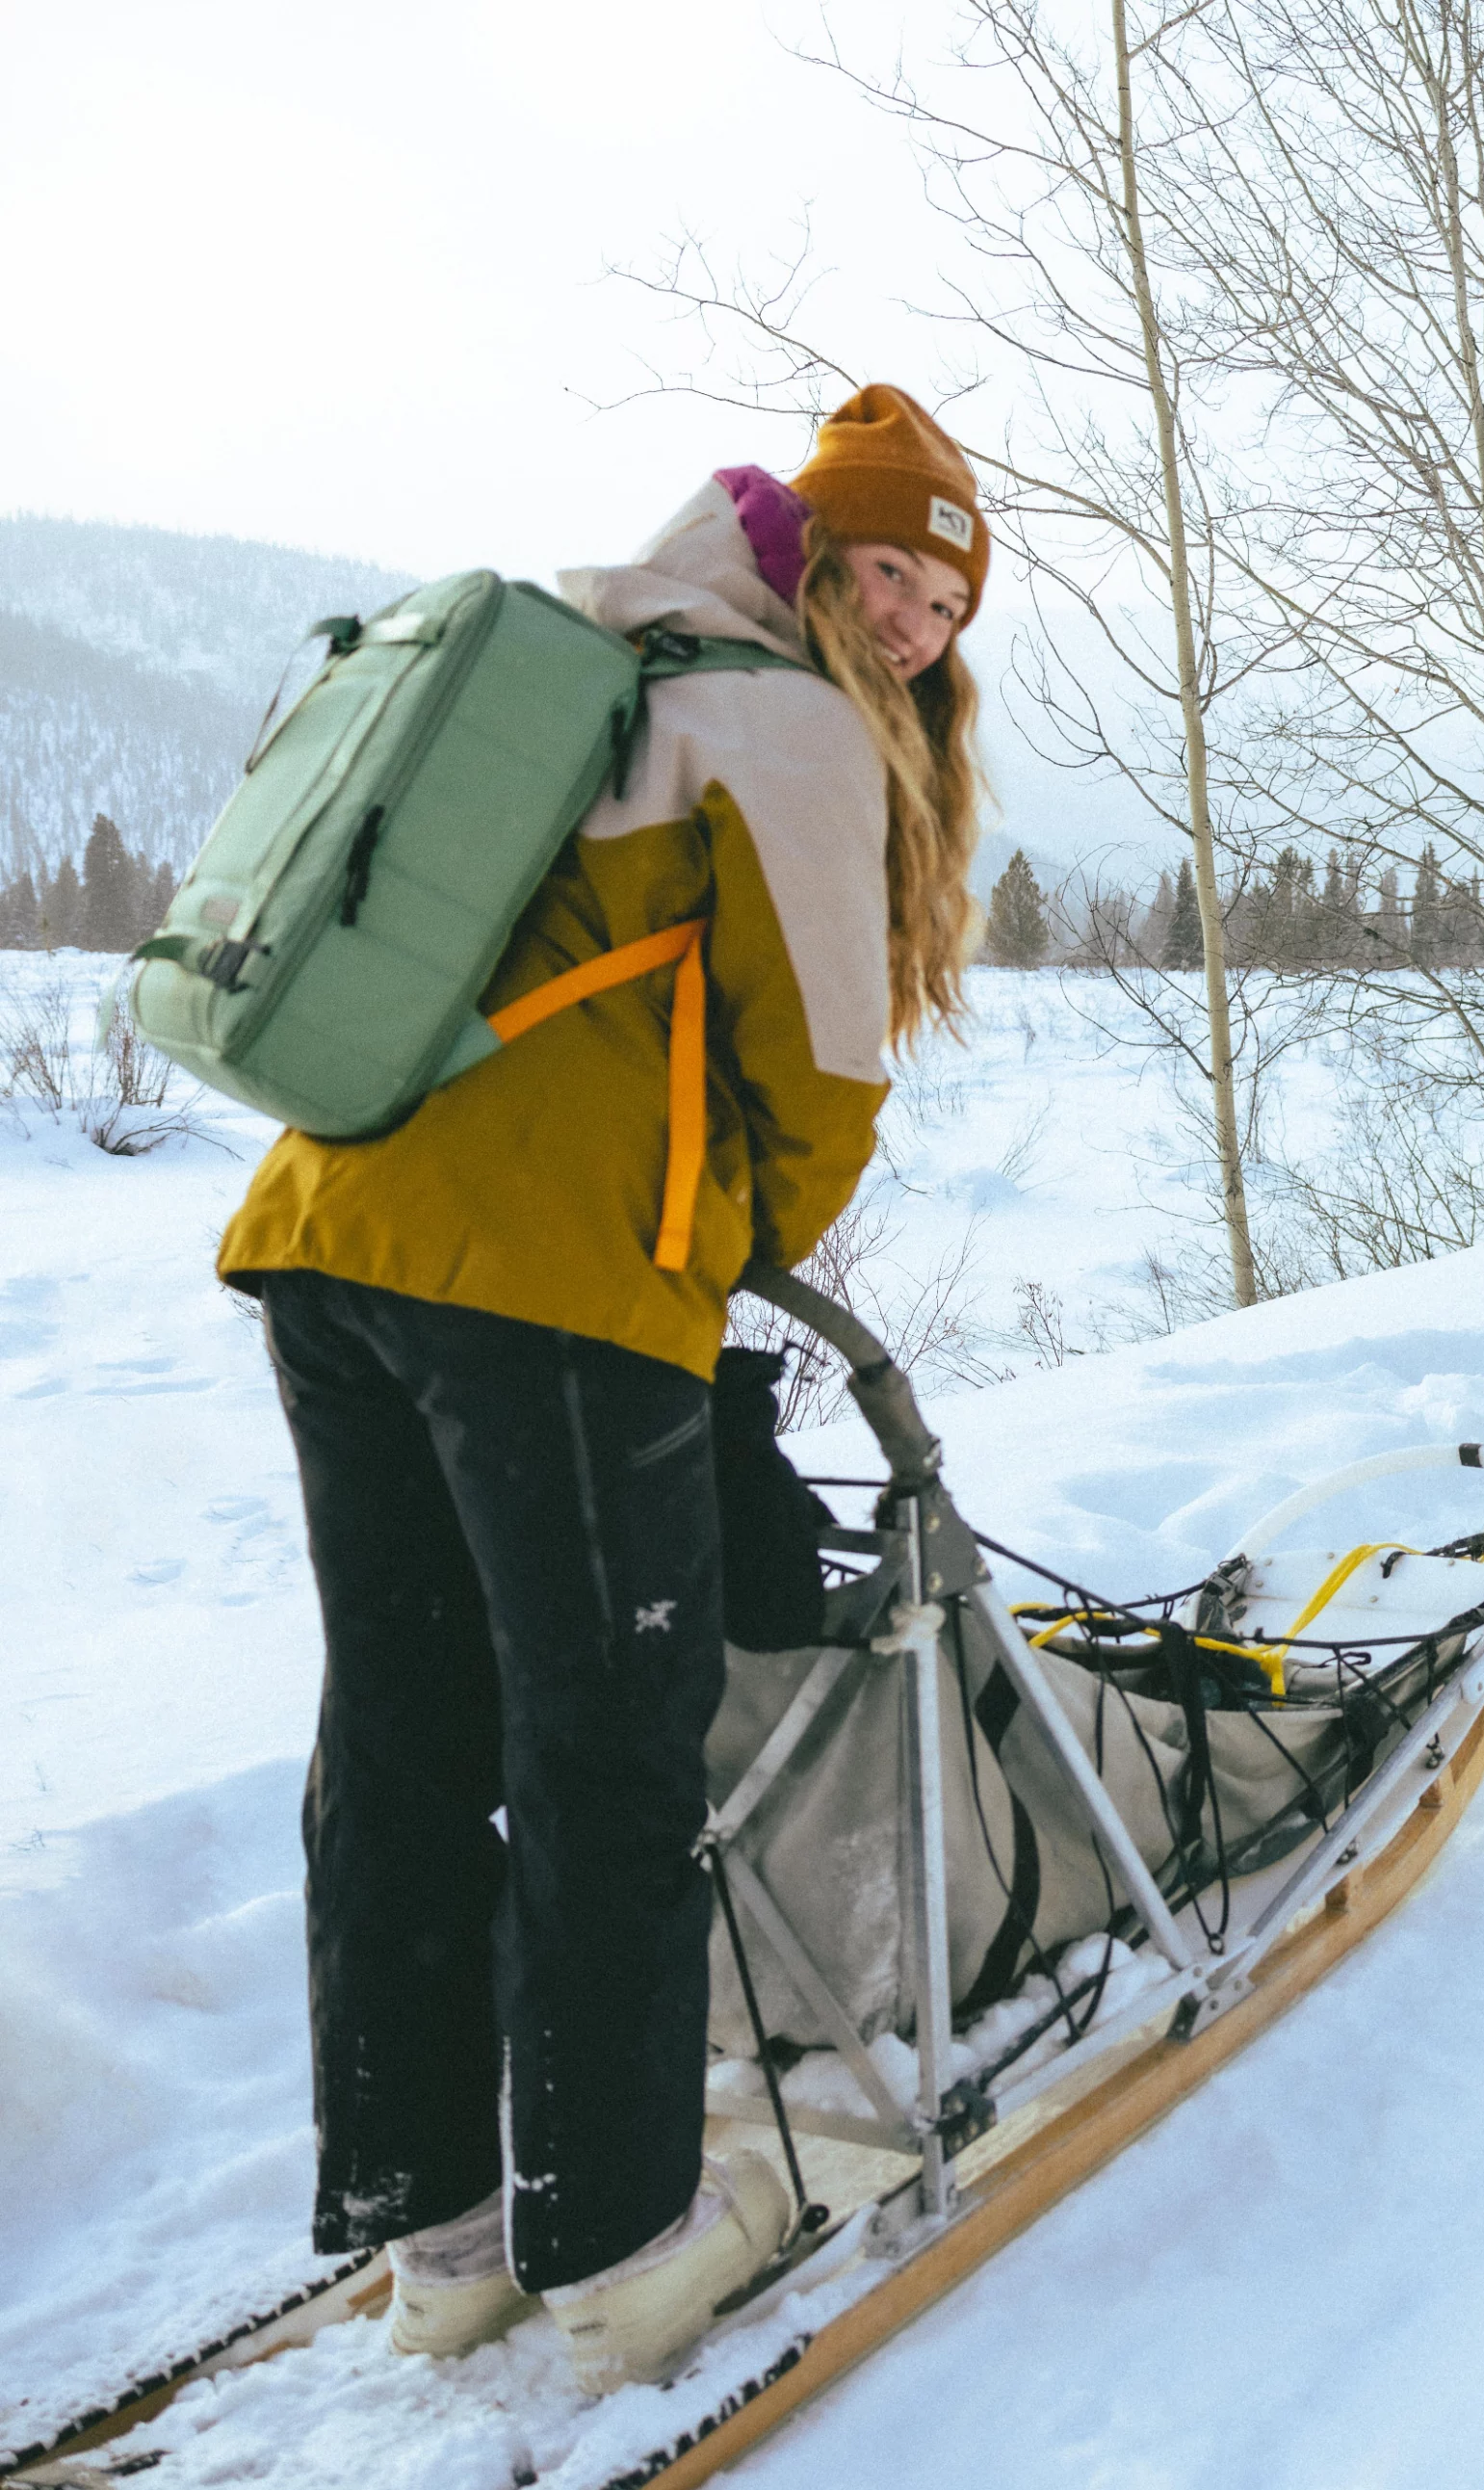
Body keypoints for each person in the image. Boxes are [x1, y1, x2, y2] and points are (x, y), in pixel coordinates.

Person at [217, 383, 988, 2395]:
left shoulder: (577, 638)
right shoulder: (783, 718)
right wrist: (732, 1245)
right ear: (810, 550)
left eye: (942, 598)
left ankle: (434, 2226)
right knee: (603, 1745)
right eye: (889, 568)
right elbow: (818, 1066)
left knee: (400, 1725)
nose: (910, 621)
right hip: (548, 1285)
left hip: (326, 1227)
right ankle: (621, 2241)